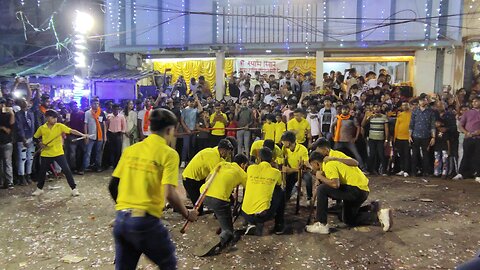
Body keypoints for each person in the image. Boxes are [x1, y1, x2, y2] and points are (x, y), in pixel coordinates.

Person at [108, 108, 198, 270]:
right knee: (168, 264)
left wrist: (124, 209)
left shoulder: (131, 150)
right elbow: (170, 193)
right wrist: (187, 213)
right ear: (170, 130)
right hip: (145, 222)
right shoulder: (169, 154)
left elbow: (113, 186)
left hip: (121, 221)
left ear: (150, 127)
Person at [305, 151, 393, 234]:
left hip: (356, 190)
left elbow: (335, 184)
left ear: (316, 163)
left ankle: (321, 224)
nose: (312, 169)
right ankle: (378, 215)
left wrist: (321, 177)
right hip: (361, 190)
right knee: (348, 219)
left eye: (312, 166)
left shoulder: (329, 165)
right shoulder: (330, 164)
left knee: (322, 189)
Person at [32, 109, 87, 196]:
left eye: (56, 118)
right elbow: (35, 137)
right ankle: (39, 189)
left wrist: (82, 135)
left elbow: (71, 131)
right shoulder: (42, 128)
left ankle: (74, 189)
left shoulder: (59, 126)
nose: (55, 120)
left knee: (67, 170)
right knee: (42, 172)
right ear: (47, 118)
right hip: (46, 153)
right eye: (53, 118)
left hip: (58, 153)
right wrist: (40, 143)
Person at [201, 154, 249, 249]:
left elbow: (208, 179)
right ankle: (220, 242)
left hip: (203, 195)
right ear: (243, 164)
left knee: (228, 202)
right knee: (229, 231)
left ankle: (219, 216)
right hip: (218, 200)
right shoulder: (242, 173)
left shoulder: (221, 164)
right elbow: (248, 191)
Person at [182, 139, 234, 215]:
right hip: (190, 180)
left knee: (201, 203)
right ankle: (178, 207)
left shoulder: (217, 151)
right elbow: (217, 179)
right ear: (223, 150)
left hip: (199, 178)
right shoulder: (213, 157)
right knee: (199, 211)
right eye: (228, 152)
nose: (228, 155)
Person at [242, 147, 286, 236]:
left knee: (251, 187)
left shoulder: (251, 168)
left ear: (259, 159)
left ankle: (249, 222)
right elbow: (281, 184)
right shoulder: (275, 172)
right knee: (280, 191)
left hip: (245, 213)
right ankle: (279, 224)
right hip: (264, 215)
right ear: (272, 159)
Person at [409, 93, 436, 176]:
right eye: (421, 100)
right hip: (415, 136)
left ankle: (425, 172)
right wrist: (409, 136)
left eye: (424, 100)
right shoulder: (415, 111)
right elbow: (411, 124)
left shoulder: (430, 112)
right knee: (415, 155)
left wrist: (433, 137)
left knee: (426, 155)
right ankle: (414, 171)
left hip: (426, 136)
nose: (422, 102)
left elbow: (432, 125)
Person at [454, 96, 480, 182]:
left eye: (476, 101)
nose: (474, 103)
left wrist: (478, 132)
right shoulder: (467, 113)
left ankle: (477, 174)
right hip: (468, 137)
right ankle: (462, 173)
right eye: (473, 101)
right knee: (466, 155)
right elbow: (460, 125)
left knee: (478, 156)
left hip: (478, 138)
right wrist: (466, 133)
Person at [332, 105, 365, 171]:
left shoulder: (352, 118)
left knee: (356, 154)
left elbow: (358, 127)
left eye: (346, 109)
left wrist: (356, 137)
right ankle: (332, 167)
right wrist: (333, 136)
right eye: (343, 109)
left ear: (349, 110)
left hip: (349, 140)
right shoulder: (338, 118)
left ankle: (362, 168)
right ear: (341, 110)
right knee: (333, 155)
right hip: (339, 140)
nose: (345, 111)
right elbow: (332, 126)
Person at [280, 131, 309, 201]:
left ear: (288, 142)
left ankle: (309, 197)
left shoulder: (302, 149)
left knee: (308, 179)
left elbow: (305, 164)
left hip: (301, 171)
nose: (282, 143)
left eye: (283, 141)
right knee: (287, 186)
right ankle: (291, 192)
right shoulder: (284, 148)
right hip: (291, 171)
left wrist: (295, 169)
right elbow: (283, 159)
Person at [362, 104, 389, 175]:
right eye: (375, 107)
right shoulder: (371, 116)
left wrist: (386, 139)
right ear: (373, 108)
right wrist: (366, 116)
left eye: (378, 107)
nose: (376, 108)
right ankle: (370, 170)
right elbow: (362, 124)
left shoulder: (384, 117)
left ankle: (384, 171)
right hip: (371, 138)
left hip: (380, 139)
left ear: (380, 108)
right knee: (372, 155)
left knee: (381, 154)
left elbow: (386, 129)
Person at [82, 99, 107, 174]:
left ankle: (98, 166)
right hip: (90, 136)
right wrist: (86, 135)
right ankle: (85, 167)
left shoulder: (102, 112)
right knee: (88, 152)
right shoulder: (87, 113)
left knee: (99, 152)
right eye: (94, 103)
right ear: (91, 104)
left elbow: (104, 125)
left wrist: (105, 136)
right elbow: (85, 125)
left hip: (100, 136)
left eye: (97, 103)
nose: (96, 105)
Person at [14, 99, 35, 185]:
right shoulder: (18, 114)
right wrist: (23, 138)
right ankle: (21, 177)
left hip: (31, 137)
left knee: (30, 158)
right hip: (22, 139)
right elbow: (19, 127)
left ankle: (28, 175)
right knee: (22, 159)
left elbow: (33, 125)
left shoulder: (31, 113)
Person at [66, 101, 85, 174]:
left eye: (76, 105)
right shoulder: (69, 115)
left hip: (81, 135)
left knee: (81, 152)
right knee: (72, 154)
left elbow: (85, 124)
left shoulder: (82, 114)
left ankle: (80, 168)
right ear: (70, 107)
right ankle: (73, 168)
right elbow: (66, 125)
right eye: (73, 106)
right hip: (72, 136)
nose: (75, 107)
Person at [393, 102, 412, 177]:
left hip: (407, 138)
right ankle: (402, 169)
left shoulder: (412, 114)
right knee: (401, 154)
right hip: (399, 137)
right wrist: (395, 137)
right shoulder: (400, 115)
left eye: (406, 105)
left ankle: (407, 170)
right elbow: (396, 126)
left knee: (406, 154)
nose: (404, 106)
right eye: (403, 105)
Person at [0, 98, 15, 189]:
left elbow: (11, 125)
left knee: (7, 162)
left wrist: (12, 113)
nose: (2, 106)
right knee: (1, 163)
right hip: (3, 141)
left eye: (3, 104)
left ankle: (9, 182)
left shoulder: (7, 114)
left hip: (7, 141)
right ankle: (2, 182)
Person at [106, 104, 126, 168]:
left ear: (119, 109)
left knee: (118, 150)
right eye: (114, 109)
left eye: (117, 109)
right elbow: (107, 125)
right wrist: (107, 134)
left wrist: (122, 133)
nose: (116, 110)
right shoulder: (109, 116)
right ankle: (112, 164)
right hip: (111, 133)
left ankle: (118, 164)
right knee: (111, 150)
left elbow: (124, 126)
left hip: (118, 134)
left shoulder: (121, 116)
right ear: (112, 109)